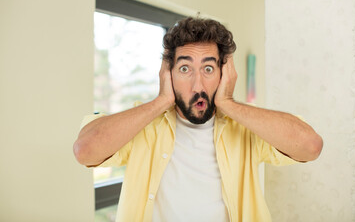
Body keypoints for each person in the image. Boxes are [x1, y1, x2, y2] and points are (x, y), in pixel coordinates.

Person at [73, 17, 323, 222]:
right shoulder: (144, 126)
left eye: (208, 69)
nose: (197, 84)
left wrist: (227, 103)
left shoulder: (245, 128)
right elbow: (85, 150)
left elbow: (310, 145)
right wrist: (161, 101)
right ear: (168, 74)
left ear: (224, 73)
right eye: (184, 69)